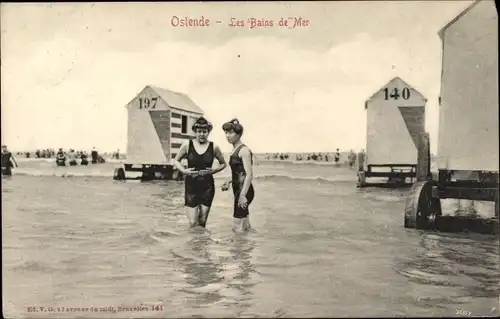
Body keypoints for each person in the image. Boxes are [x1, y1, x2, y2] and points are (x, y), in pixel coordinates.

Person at [172, 117, 227, 228]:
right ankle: (192, 244)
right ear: (195, 132)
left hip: (207, 187)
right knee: (193, 223)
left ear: (208, 132)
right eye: (199, 132)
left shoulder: (214, 146)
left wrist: (214, 170)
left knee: (202, 222)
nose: (202, 134)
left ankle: (201, 244)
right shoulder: (187, 145)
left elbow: (223, 163)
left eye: (204, 132)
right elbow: (175, 160)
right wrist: (183, 170)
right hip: (191, 186)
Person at [221, 118, 255, 233]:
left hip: (243, 191)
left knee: (236, 228)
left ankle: (238, 250)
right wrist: (229, 181)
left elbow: (249, 175)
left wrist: (242, 195)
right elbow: (239, 172)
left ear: (239, 134)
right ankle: (248, 247)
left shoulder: (243, 150)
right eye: (226, 132)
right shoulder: (235, 149)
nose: (227, 135)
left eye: (231, 133)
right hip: (239, 190)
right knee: (245, 226)